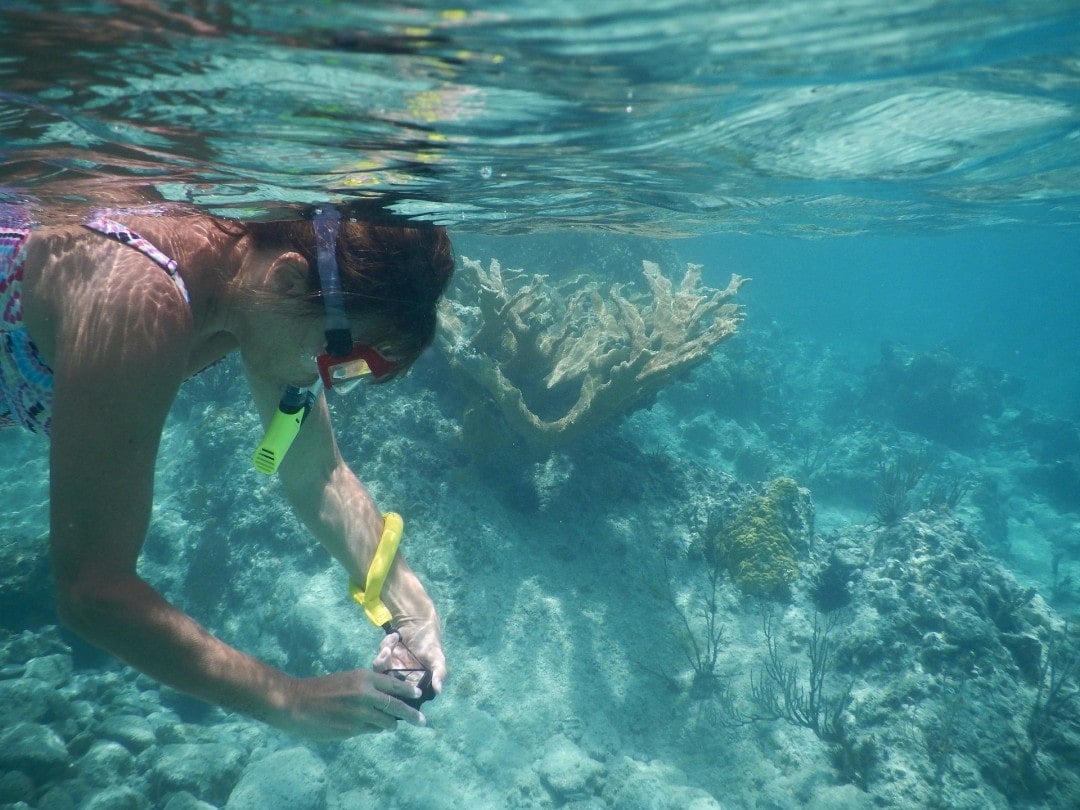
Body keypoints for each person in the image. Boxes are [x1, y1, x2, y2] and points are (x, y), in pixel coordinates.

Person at [0, 200, 452, 740]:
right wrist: (287, 698)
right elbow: (91, 590)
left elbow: (319, 475)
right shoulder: (142, 303)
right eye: (340, 359)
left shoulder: (256, 297)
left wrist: (411, 609)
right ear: (287, 277)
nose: (328, 379)